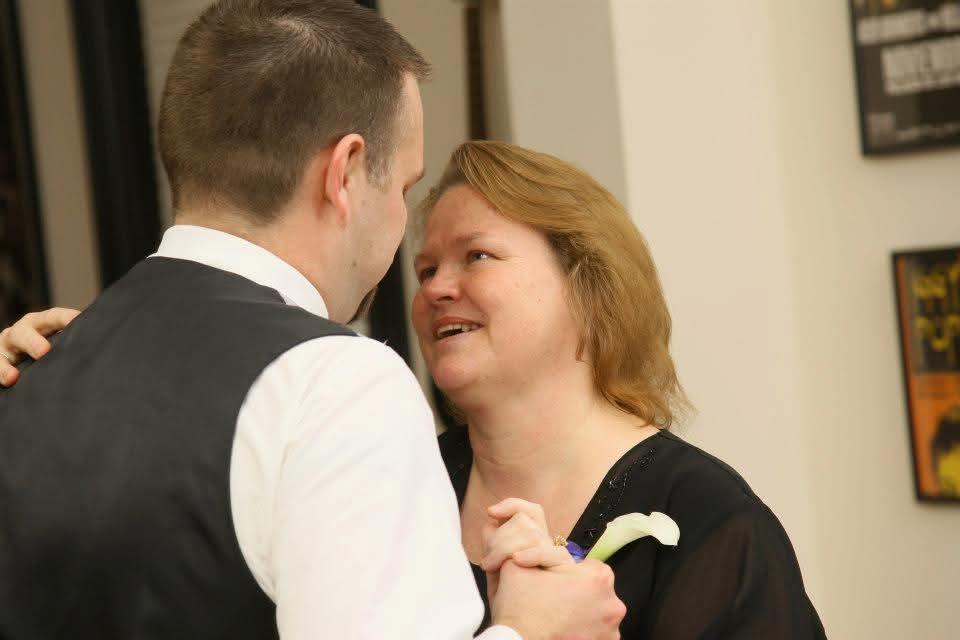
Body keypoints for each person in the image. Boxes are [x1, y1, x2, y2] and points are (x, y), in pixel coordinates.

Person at [5, 140, 828, 638]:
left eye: (476, 257)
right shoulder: (374, 463)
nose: (434, 288)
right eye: (426, 266)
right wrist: (90, 380)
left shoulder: (713, 522)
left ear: (590, 285)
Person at [0, 2, 625, 639]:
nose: (402, 229)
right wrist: (535, 631)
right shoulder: (335, 384)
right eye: (403, 188)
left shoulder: (32, 376)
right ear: (345, 172)